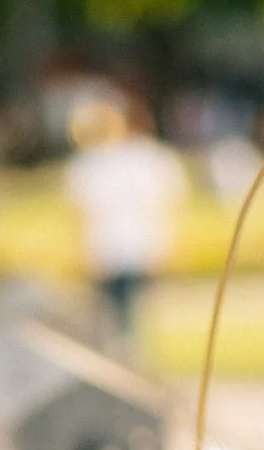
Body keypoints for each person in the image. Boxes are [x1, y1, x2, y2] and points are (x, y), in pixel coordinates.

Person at [64, 96, 188, 340]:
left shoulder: (87, 165)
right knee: (130, 315)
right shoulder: (148, 158)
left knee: (118, 316)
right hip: (136, 245)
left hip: (111, 248)